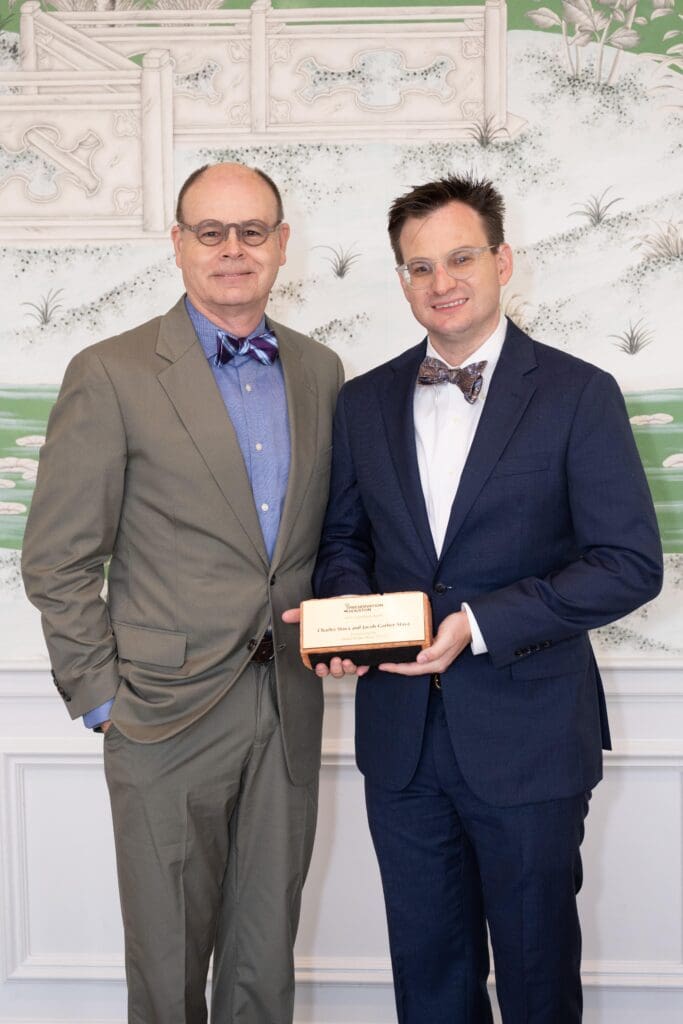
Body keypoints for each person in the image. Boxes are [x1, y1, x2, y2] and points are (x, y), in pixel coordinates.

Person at [306, 174, 663, 1023]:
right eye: (418, 266)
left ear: (501, 260)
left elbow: (627, 563)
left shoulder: (578, 394)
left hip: (530, 740)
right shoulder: (361, 402)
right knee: (428, 981)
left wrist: (478, 623)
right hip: (402, 746)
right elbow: (344, 544)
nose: (442, 282)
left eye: (460, 257)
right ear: (401, 279)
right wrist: (352, 618)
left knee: (538, 981)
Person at [21, 162, 344, 1024]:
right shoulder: (112, 371)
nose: (232, 250)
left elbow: (331, 539)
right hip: (159, 715)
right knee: (167, 970)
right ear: (177, 244)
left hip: (287, 702)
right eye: (211, 232)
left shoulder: (320, 371)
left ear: (280, 245)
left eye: (251, 232)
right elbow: (55, 557)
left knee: (262, 958)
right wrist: (102, 701)